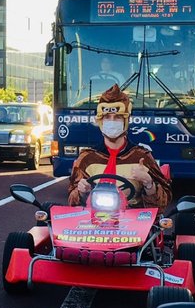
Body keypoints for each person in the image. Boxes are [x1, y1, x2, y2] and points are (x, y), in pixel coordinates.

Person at [67, 84, 171, 212]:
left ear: (125, 121)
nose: (112, 121)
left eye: (117, 117)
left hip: (134, 223)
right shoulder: (87, 158)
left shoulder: (141, 156)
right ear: (100, 121)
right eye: (107, 117)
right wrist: (82, 192)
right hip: (94, 222)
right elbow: (72, 202)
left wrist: (149, 184)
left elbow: (162, 204)